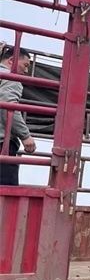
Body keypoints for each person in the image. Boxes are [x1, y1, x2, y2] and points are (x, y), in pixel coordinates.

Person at [0, 45, 36, 185]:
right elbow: (8, 107)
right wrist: (25, 136)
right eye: (25, 65)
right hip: (2, 143)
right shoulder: (11, 78)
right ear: (11, 60)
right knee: (6, 195)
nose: (26, 71)